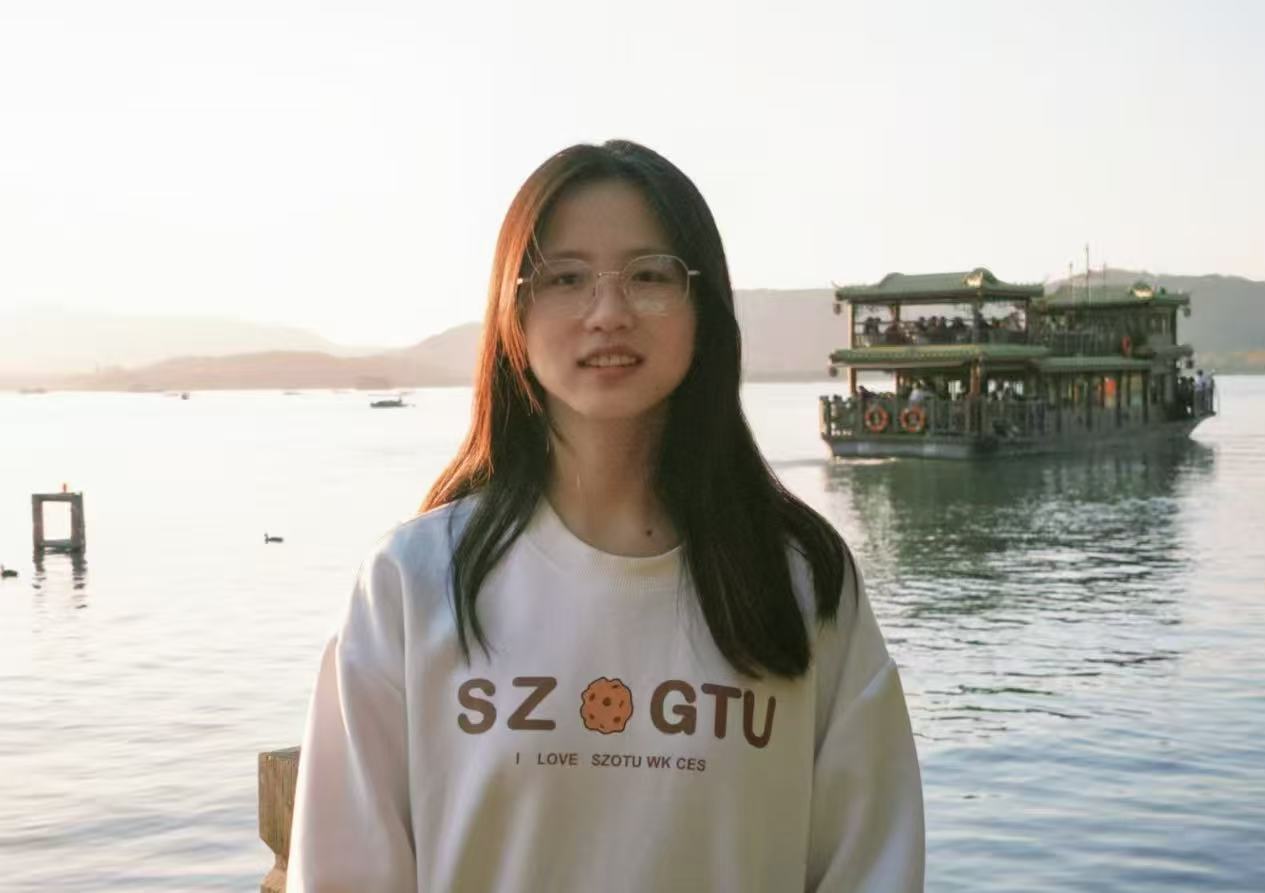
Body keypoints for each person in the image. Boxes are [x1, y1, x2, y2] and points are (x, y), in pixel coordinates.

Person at [288, 140, 925, 892]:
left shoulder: (801, 582)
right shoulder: (411, 583)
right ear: (513, 311)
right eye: (565, 278)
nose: (609, 312)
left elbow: (872, 866)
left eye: (650, 275)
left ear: (703, 306)